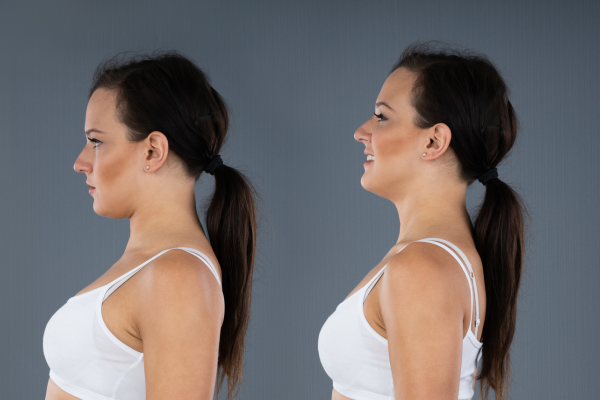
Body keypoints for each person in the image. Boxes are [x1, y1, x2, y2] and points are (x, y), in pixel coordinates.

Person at [43, 51, 257, 400]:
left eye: (96, 141)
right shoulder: (155, 266)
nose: (80, 162)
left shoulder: (179, 276)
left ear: (153, 151)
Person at [318, 42, 527, 400]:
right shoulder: (425, 260)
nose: (360, 132)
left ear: (433, 141)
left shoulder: (422, 269)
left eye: (382, 117)